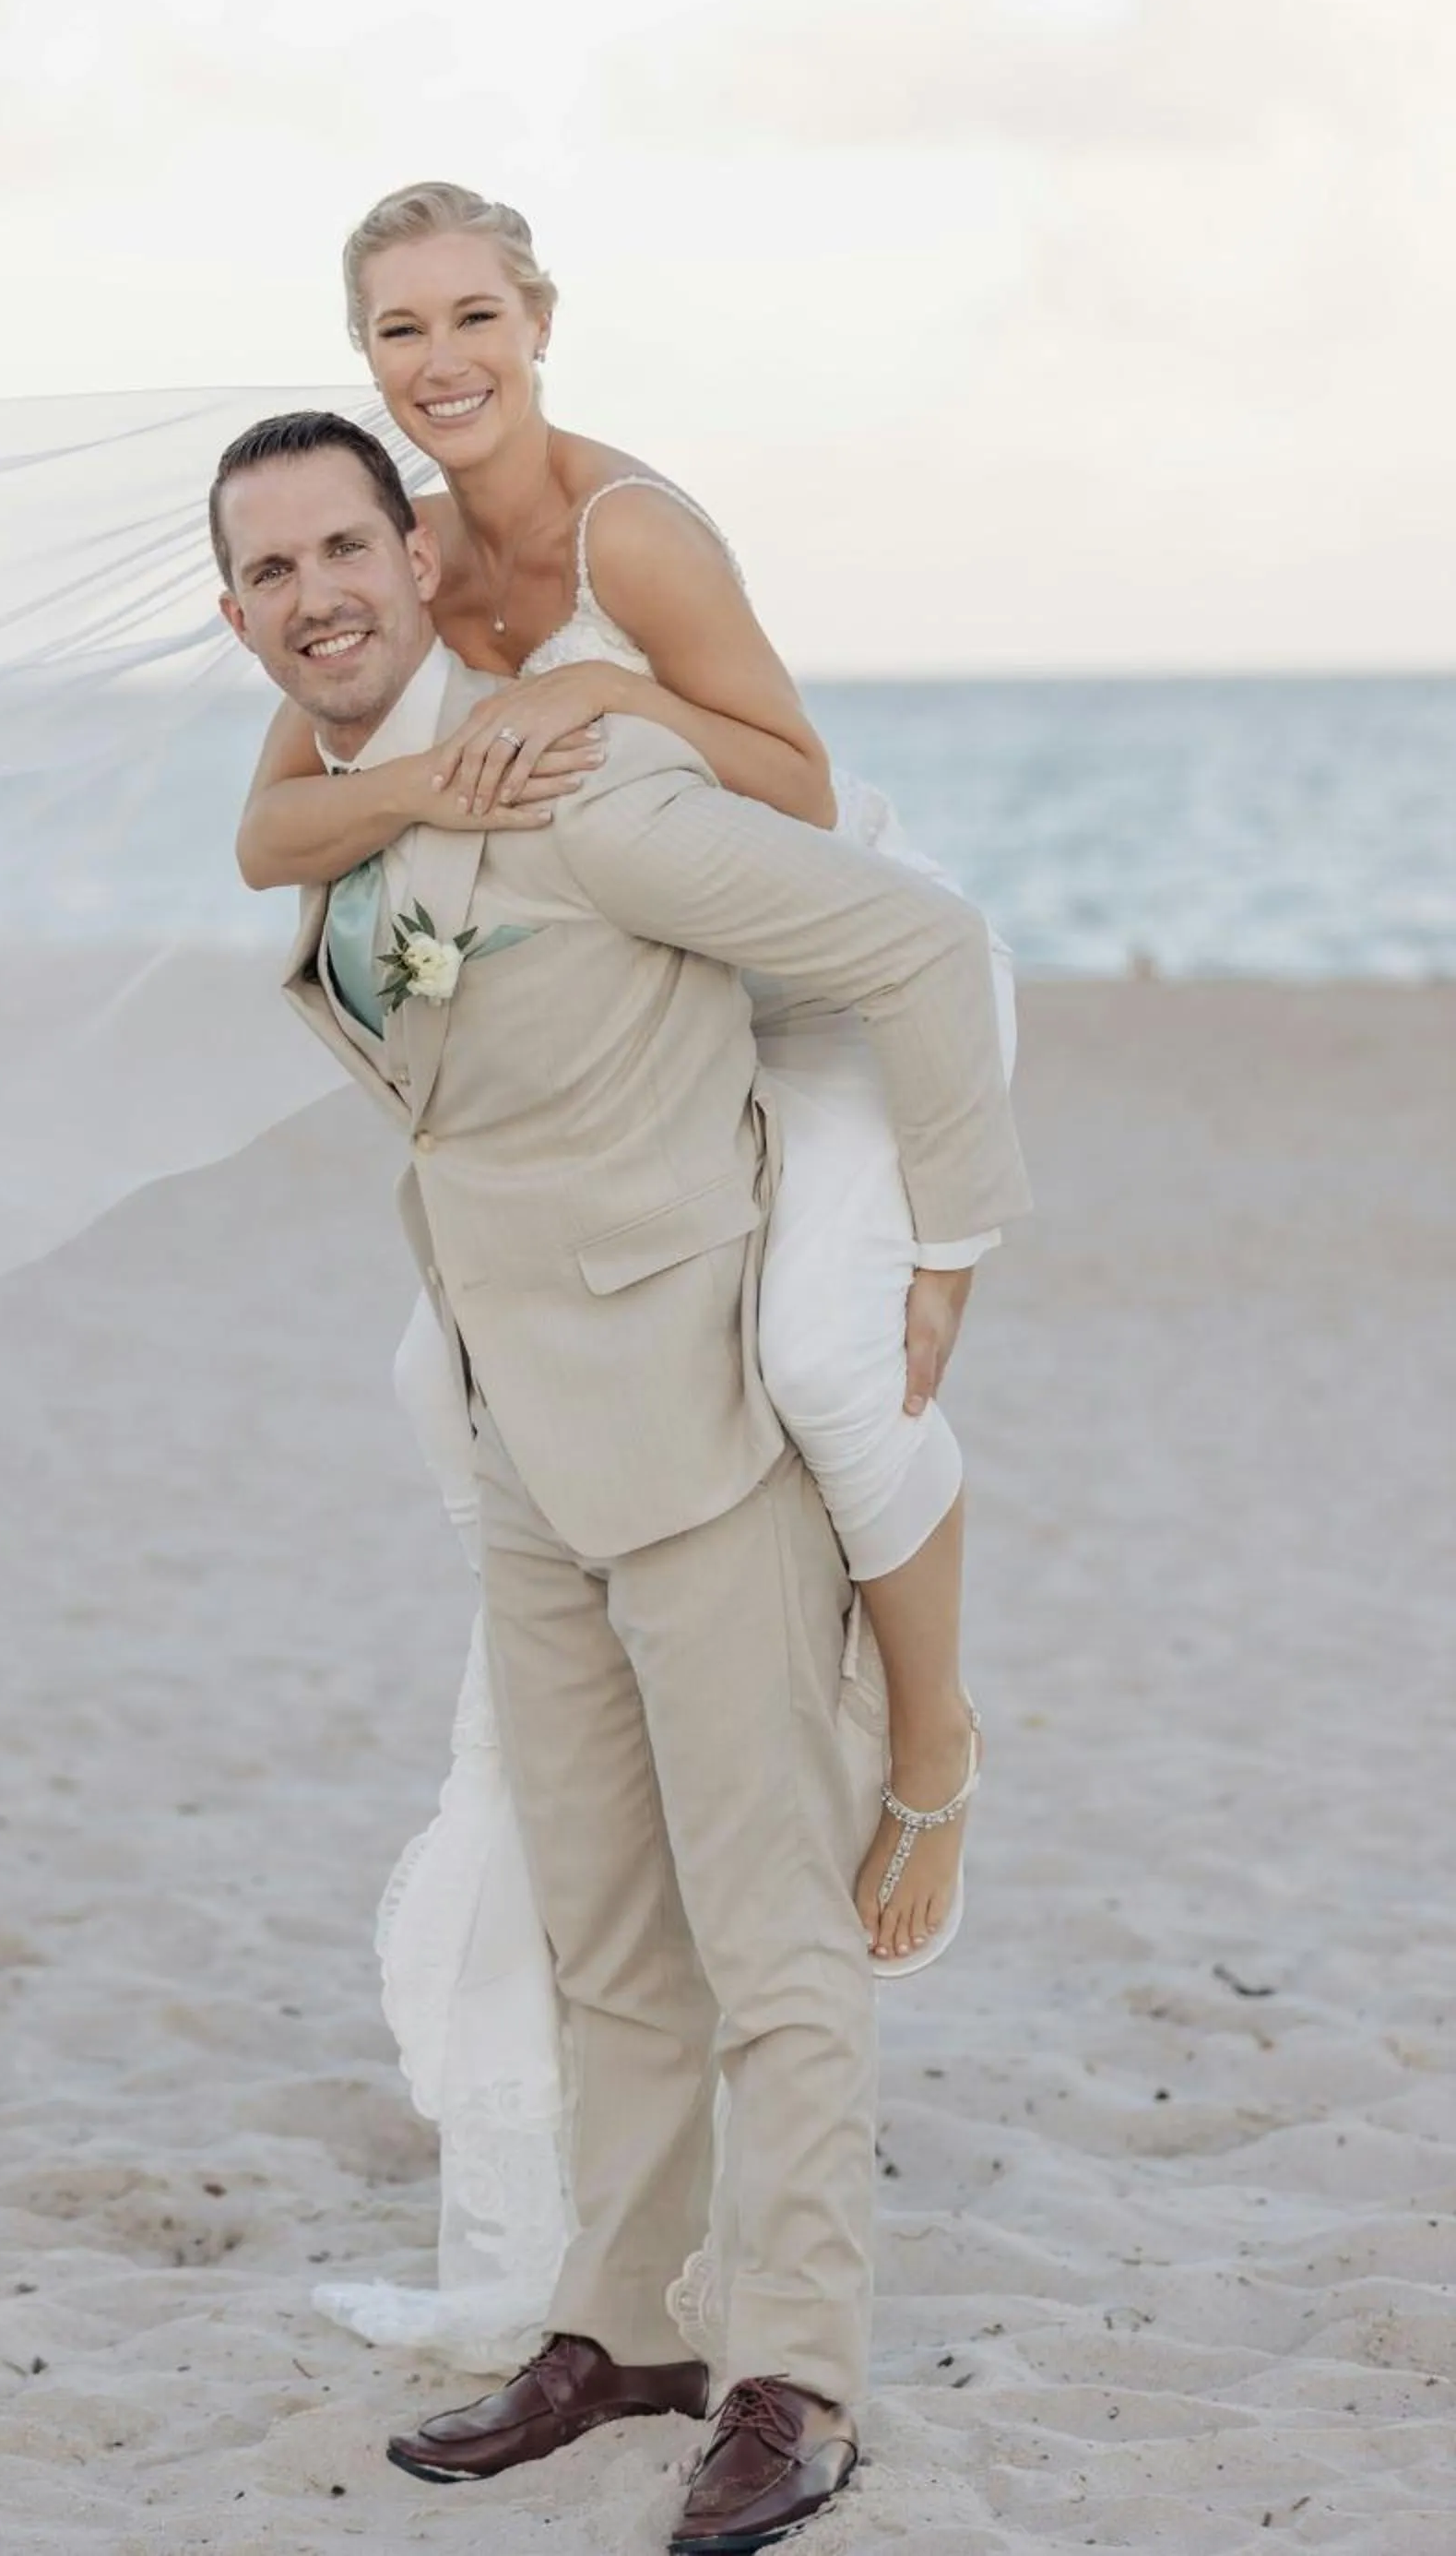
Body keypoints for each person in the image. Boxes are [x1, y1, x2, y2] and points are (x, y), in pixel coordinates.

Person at [211, 405, 1029, 2551]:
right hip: (513, 1438)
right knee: (600, 1934)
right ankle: (627, 2324)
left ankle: (793, 2376)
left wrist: (948, 1247)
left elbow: (921, 949)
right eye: (267, 571)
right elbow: (294, 880)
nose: (313, 595)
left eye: (339, 550)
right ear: (238, 614)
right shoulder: (334, 807)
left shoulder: (588, 790)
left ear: (411, 553)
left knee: (770, 1942)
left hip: (690, 1427)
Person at [237, 184, 1017, 1988]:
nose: (440, 362)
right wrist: (430, 792)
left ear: (539, 323)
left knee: (829, 1361)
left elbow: (804, 791)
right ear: (364, 357)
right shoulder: (399, 546)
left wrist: (607, 709)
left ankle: (931, 1747)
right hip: (645, 1005)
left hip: (826, 978)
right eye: (398, 333)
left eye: (471, 319)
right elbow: (272, 831)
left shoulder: (632, 539)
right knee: (445, 1377)